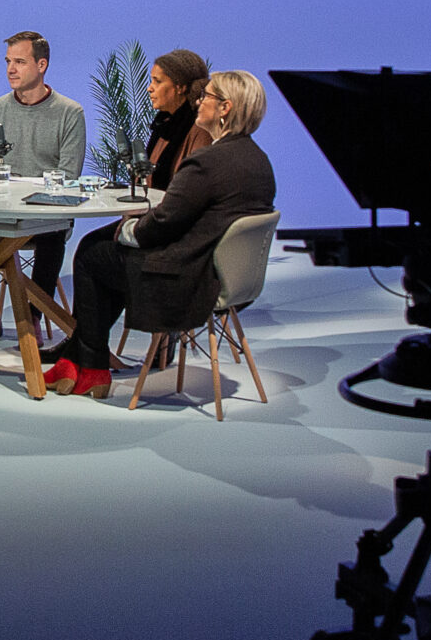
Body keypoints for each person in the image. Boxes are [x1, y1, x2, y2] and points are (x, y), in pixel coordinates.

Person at [44, 70, 275, 399]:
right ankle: (79, 360)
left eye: (206, 97)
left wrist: (126, 228)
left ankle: (90, 366)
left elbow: (161, 224)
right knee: (104, 252)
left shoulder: (208, 162)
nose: (199, 102)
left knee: (92, 253)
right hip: (225, 276)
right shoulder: (258, 160)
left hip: (189, 277)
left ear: (225, 108)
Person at [0, 30, 87, 344]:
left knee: (52, 232)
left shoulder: (70, 113)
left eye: (20, 61)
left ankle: (32, 317)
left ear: (42, 65)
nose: (11, 68)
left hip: (44, 217)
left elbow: (67, 176)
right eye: (8, 61)